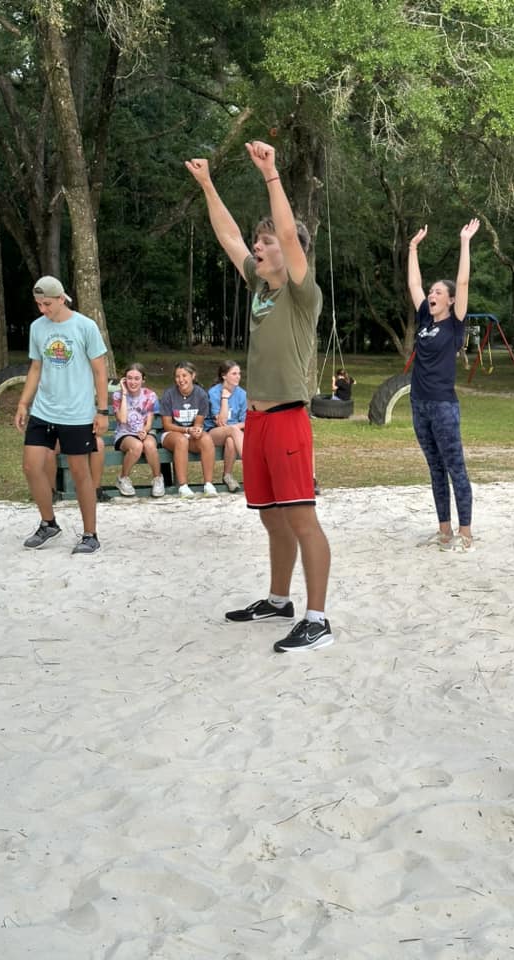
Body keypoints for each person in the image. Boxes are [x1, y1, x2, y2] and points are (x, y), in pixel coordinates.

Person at [186, 139, 332, 652]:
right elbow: (227, 236)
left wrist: (271, 173)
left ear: (290, 254)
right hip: (259, 421)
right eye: (259, 241)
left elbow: (289, 233)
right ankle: (278, 599)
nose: (258, 246)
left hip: (290, 416)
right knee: (272, 516)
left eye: (264, 241)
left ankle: (317, 618)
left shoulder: (299, 289)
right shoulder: (260, 287)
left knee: (300, 516)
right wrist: (207, 184)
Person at [14, 275, 108, 554]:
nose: (43, 309)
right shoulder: (37, 328)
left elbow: (100, 371)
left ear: (60, 298)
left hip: (77, 413)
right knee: (31, 466)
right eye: (39, 304)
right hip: (44, 410)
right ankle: (48, 523)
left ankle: (90, 534)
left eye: (47, 304)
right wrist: (23, 403)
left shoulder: (85, 326)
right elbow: (35, 368)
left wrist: (101, 410)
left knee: (81, 473)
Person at [407, 220, 480, 551]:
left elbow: (463, 281)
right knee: (436, 470)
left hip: (443, 406)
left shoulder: (455, 323)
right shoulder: (425, 319)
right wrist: (412, 249)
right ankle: (444, 530)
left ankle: (465, 531)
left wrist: (464, 241)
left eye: (439, 292)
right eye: (432, 291)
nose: (432, 295)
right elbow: (414, 283)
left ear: (450, 301)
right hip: (419, 404)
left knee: (455, 468)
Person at [159, 361, 217, 498]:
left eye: (184, 375)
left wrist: (196, 430)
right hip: (171, 434)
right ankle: (183, 486)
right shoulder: (169, 394)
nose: (181, 379)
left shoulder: (201, 394)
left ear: (193, 376)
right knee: (180, 441)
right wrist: (186, 431)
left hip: (190, 434)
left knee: (207, 439)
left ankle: (208, 484)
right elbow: (167, 425)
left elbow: (198, 423)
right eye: (178, 376)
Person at [112, 363, 165, 497]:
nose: (133, 382)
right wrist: (124, 394)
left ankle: (157, 478)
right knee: (137, 446)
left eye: (137, 378)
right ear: (124, 380)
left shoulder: (150, 395)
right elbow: (123, 420)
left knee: (149, 444)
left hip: (143, 431)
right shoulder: (117, 396)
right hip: (125, 434)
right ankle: (123, 478)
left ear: (143, 380)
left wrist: (145, 430)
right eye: (129, 378)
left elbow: (149, 421)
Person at [205, 360, 246, 493]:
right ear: (224, 376)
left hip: (234, 433)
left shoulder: (242, 394)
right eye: (234, 373)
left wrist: (233, 428)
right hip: (214, 433)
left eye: (239, 373)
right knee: (232, 430)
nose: (238, 376)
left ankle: (227, 476)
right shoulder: (214, 392)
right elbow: (221, 422)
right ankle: (251, 466)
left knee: (231, 439)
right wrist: (224, 398)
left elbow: (245, 422)